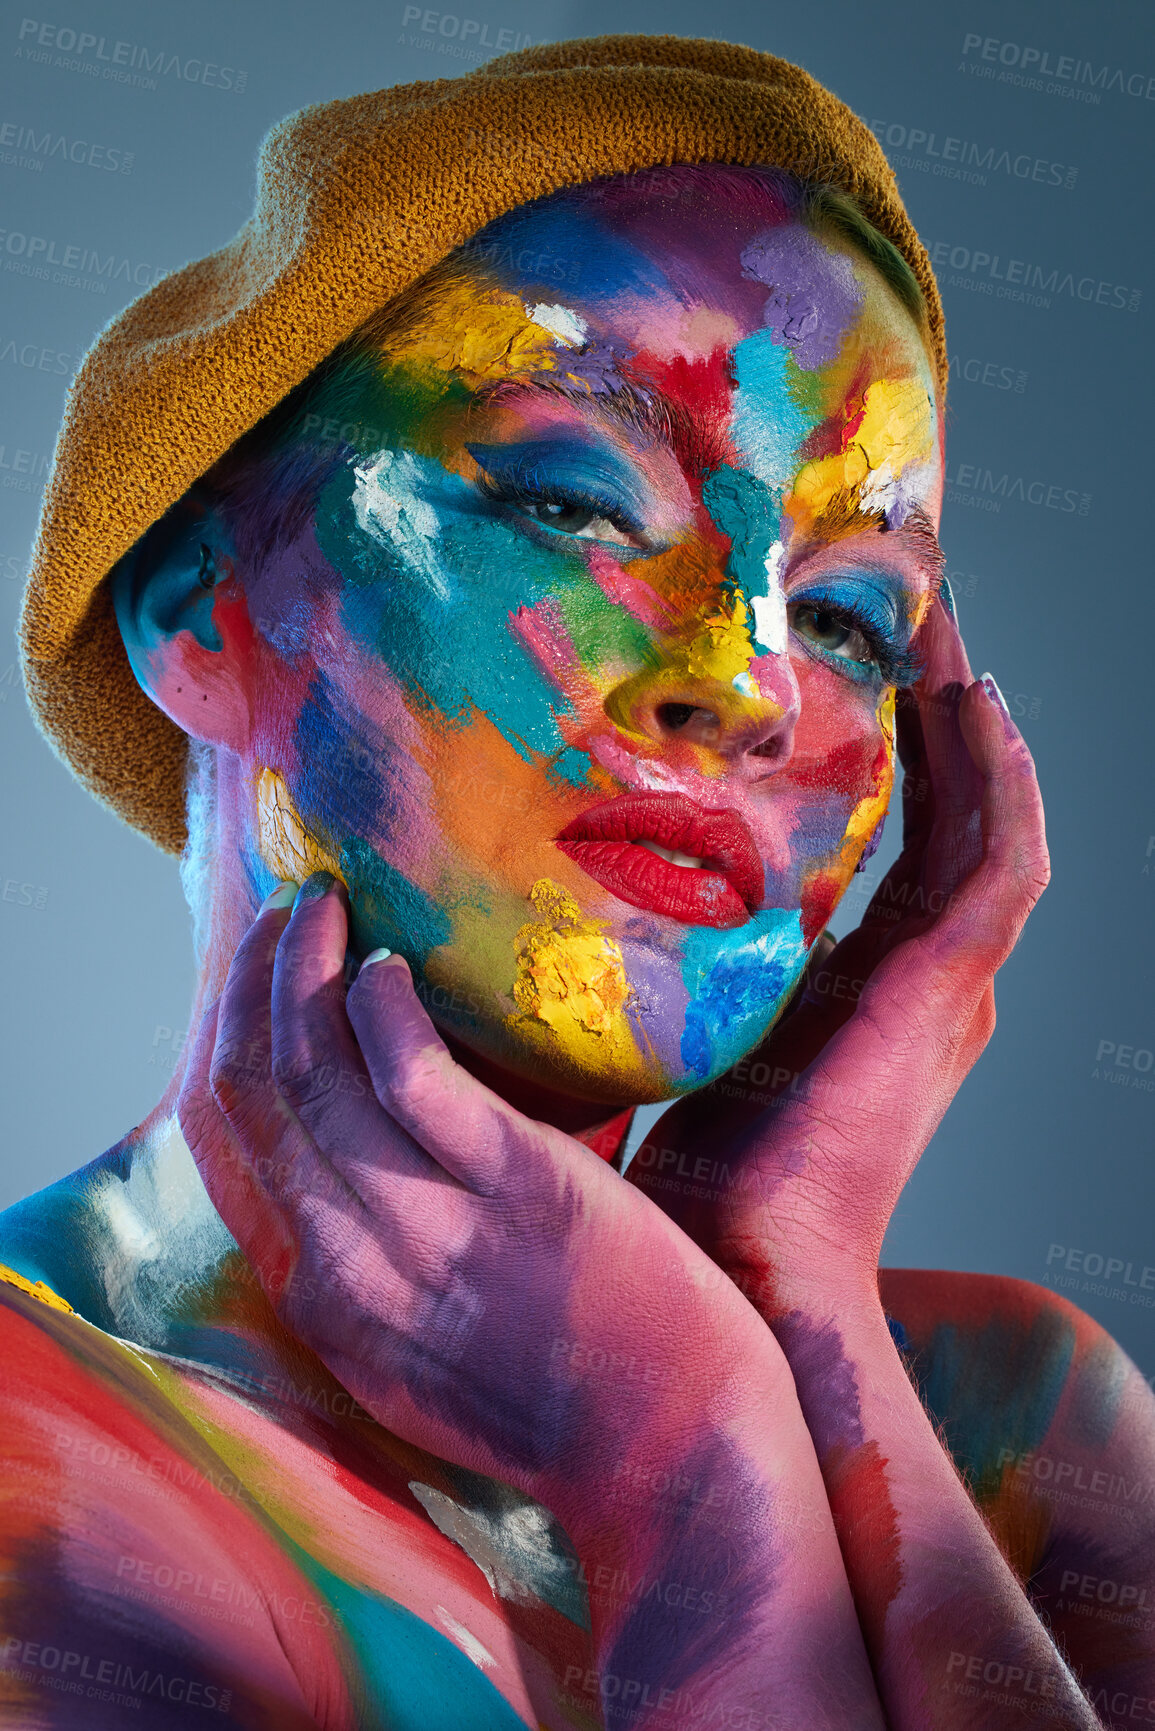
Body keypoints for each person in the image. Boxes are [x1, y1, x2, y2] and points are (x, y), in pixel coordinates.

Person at [5, 32, 1154, 1731]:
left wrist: (794, 1318)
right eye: (572, 500)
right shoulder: (39, 1480)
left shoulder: (1014, 1424)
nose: (753, 681)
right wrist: (688, 1464)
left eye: (847, 616)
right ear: (200, 608)